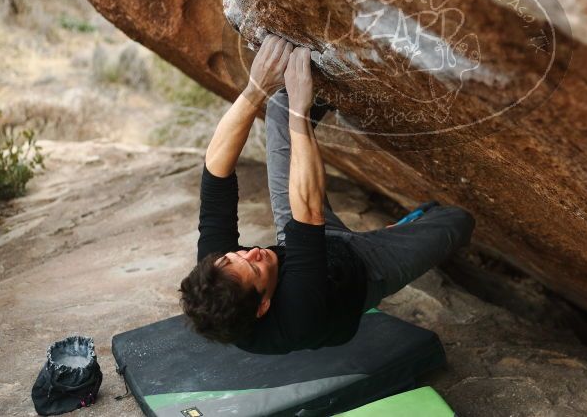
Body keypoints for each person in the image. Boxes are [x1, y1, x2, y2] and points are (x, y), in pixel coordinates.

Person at [179, 34, 475, 354]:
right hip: (362, 271)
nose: (249, 253)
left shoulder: (217, 275)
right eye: (253, 268)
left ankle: (347, 71)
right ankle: (399, 231)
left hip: (300, 240)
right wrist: (300, 112)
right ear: (263, 305)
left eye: (233, 255)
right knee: (457, 221)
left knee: (278, 106)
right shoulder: (296, 315)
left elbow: (215, 175)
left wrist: (255, 90)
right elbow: (308, 210)